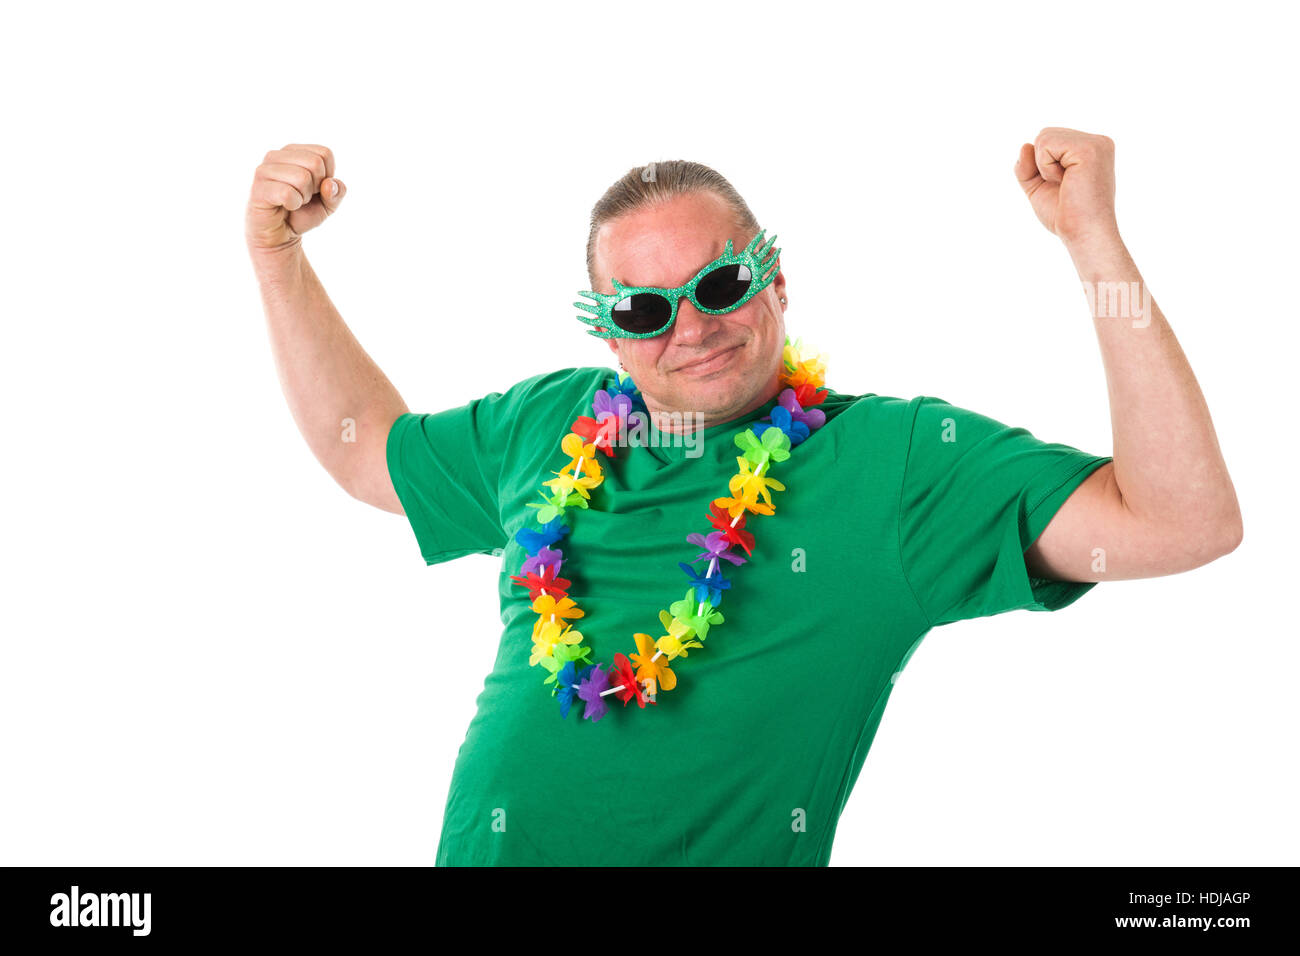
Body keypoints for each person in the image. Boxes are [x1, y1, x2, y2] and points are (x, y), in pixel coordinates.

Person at [244, 130, 1242, 866]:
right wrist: (278, 261)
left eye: (719, 283)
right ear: (608, 330)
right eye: (643, 306)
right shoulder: (548, 420)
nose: (690, 326)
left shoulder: (894, 461)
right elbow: (366, 452)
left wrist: (1094, 245)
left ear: (772, 279)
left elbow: (1179, 520)